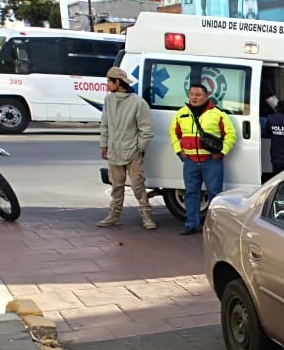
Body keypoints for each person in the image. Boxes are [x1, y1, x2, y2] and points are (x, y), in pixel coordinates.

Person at [169, 83, 236, 235]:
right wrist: (179, 151)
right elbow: (174, 133)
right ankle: (191, 224)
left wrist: (222, 152)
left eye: (198, 95)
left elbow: (231, 135)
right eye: (192, 94)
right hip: (190, 161)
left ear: (206, 96)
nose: (194, 97)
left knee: (215, 193)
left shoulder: (218, 114)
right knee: (191, 193)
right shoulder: (181, 113)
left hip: (211, 161)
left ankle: (214, 226)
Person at [98, 66, 156, 229]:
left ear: (118, 82)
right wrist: (104, 144)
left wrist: (140, 148)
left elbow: (147, 129)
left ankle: (147, 216)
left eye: (109, 81)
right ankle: (114, 215)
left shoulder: (138, 102)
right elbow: (105, 124)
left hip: (132, 151)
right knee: (116, 186)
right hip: (113, 150)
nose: (107, 85)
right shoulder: (109, 100)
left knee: (138, 186)